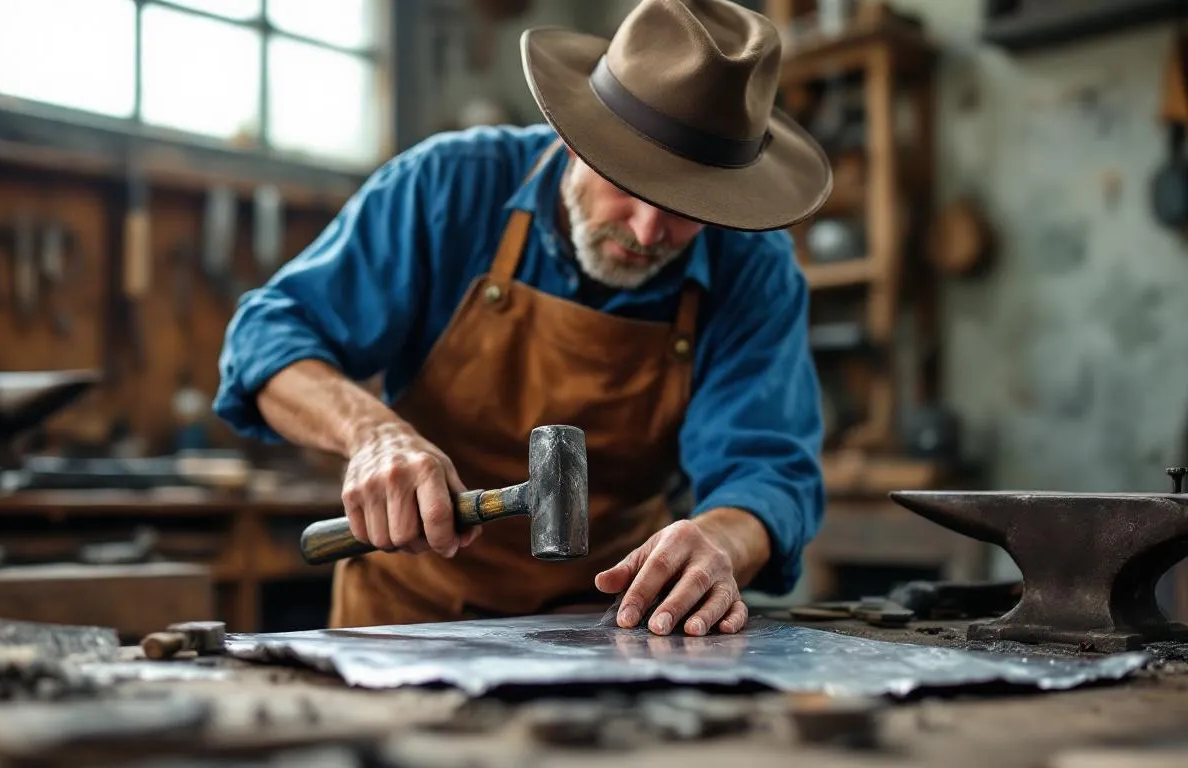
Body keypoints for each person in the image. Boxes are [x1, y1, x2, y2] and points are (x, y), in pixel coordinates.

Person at [214, 0, 832, 637]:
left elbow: (767, 473)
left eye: (688, 206)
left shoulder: (752, 268)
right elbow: (266, 339)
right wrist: (373, 435)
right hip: (405, 622)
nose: (649, 231)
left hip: (607, 628)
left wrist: (720, 541)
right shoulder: (447, 188)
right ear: (574, 136)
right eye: (629, 185)